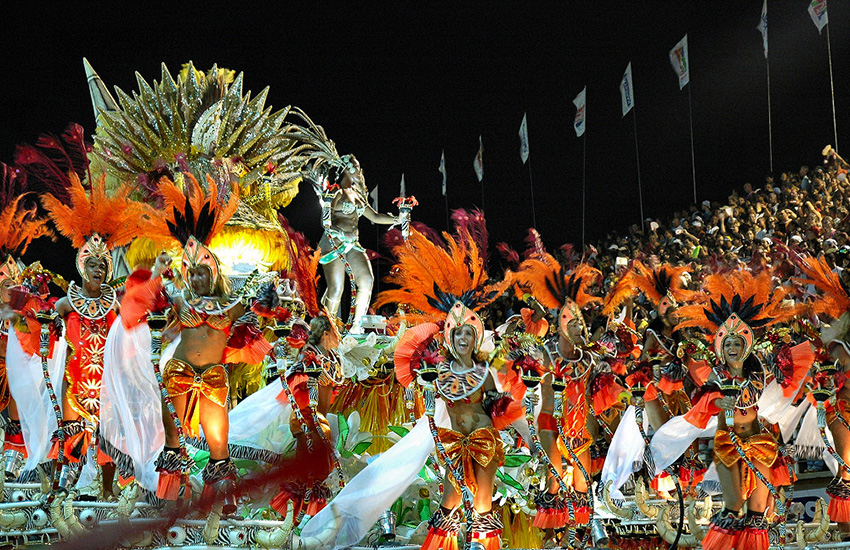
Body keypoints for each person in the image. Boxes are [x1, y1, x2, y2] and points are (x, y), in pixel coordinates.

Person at [122, 174, 270, 511]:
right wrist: (158, 272)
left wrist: (274, 296)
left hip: (214, 378)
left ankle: (218, 505)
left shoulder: (231, 306)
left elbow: (266, 309)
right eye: (191, 271)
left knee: (219, 442)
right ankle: (169, 500)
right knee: (173, 438)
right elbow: (140, 301)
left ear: (214, 273)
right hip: (179, 373)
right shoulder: (178, 299)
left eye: (202, 271)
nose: (196, 276)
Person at [651, 269, 811, 550]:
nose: (734, 348)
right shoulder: (714, 376)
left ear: (746, 345)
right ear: (721, 347)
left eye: (738, 343)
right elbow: (703, 402)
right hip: (728, 443)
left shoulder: (760, 372)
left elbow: (792, 371)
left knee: (758, 514)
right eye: (729, 343)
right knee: (734, 507)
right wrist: (718, 401)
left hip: (760, 442)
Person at [316, 156, 396, 331]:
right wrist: (338, 231)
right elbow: (325, 222)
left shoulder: (358, 195)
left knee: (367, 280)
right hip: (334, 243)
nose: (360, 173)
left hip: (353, 244)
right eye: (357, 168)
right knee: (336, 288)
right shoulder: (336, 192)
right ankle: (328, 328)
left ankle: (357, 326)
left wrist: (399, 218)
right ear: (347, 169)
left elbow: (374, 216)